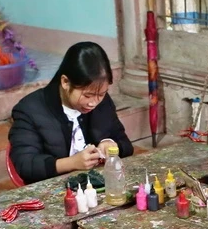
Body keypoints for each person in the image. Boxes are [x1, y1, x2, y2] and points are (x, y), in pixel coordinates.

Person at [9, 41, 133, 183]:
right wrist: (72, 163)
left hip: (97, 187)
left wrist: (110, 144)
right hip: (54, 191)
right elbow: (25, 164)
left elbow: (126, 145)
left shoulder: (102, 102)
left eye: (102, 94)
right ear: (66, 82)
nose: (94, 103)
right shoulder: (30, 109)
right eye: (87, 95)